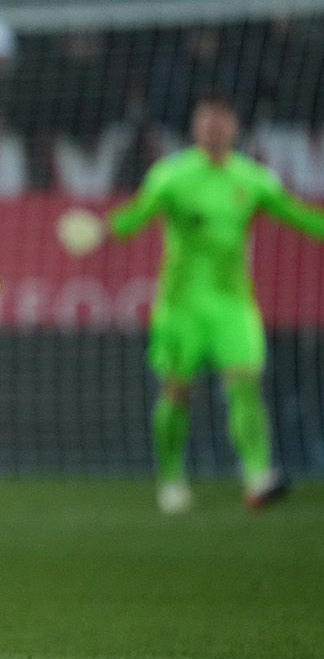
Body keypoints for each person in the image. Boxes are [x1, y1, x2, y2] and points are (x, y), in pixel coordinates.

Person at [110, 96, 324, 514]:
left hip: (232, 303)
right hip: (180, 305)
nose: (213, 128)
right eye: (206, 121)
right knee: (177, 392)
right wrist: (102, 230)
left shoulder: (254, 179)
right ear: (195, 128)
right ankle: (171, 478)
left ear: (235, 127)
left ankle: (258, 475)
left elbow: (299, 217)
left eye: (221, 121)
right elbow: (135, 219)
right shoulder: (170, 177)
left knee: (245, 384)